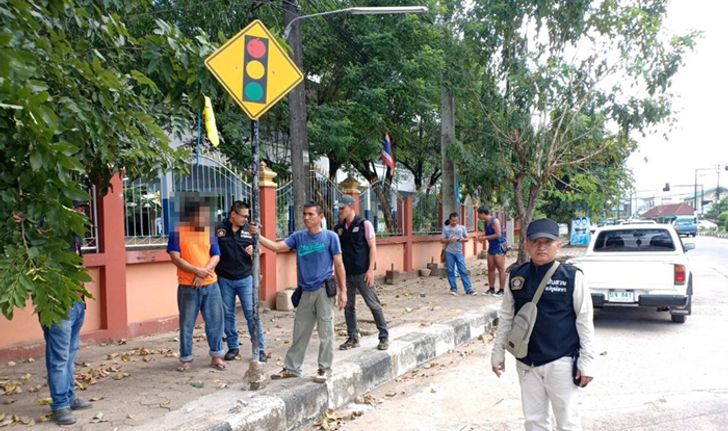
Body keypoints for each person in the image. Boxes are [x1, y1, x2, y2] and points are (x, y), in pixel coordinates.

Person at [491, 218, 596, 431]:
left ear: (559, 244)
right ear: (526, 245)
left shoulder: (572, 277)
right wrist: (498, 352)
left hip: (561, 361)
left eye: (547, 242)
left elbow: (584, 320)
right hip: (526, 362)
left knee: (567, 422)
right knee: (534, 421)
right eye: (535, 241)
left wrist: (587, 361)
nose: (541, 247)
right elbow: (506, 317)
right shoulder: (516, 277)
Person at [252, 201, 346, 383]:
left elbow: (339, 264)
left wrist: (344, 292)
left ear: (321, 217)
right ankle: (292, 367)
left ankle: (324, 369)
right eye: (304, 214)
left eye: (311, 214)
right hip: (304, 291)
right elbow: (277, 247)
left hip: (324, 291)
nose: (306, 217)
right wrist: (258, 236)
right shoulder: (298, 237)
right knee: (300, 331)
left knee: (326, 332)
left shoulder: (331, 237)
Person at [42, 200, 93, 425]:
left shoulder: (75, 235)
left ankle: (69, 397)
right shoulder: (50, 231)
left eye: (82, 210)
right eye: (77, 209)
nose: (80, 213)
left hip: (76, 300)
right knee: (59, 357)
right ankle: (60, 405)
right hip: (57, 303)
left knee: (71, 354)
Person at [167, 198, 226, 372]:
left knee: (215, 321)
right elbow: (175, 258)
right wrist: (196, 271)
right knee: (187, 324)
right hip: (187, 286)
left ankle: (217, 356)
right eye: (202, 214)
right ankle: (186, 358)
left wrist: (204, 272)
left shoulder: (209, 232)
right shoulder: (177, 233)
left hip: (211, 284)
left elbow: (216, 255)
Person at [334, 196, 389, 351]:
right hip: (347, 274)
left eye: (342, 208)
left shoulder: (364, 224)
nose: (340, 211)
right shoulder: (338, 228)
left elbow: (372, 247)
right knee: (348, 306)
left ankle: (384, 336)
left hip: (363, 273)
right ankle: (353, 337)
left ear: (351, 207)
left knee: (373, 304)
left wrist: (371, 269)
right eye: (338, 209)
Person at [215, 201, 266, 362]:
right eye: (243, 216)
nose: (246, 219)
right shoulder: (219, 229)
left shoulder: (250, 230)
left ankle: (260, 348)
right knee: (228, 314)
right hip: (225, 279)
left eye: (247, 216)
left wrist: (255, 250)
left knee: (252, 314)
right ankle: (233, 347)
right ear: (233, 215)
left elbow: (261, 249)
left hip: (245, 278)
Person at [441, 212, 476, 296]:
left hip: (459, 252)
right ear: (450, 220)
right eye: (453, 220)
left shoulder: (462, 228)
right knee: (450, 270)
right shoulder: (446, 228)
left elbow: (467, 238)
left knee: (463, 270)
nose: (454, 222)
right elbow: (442, 240)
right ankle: (453, 288)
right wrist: (449, 240)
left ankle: (469, 289)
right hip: (449, 252)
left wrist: (460, 239)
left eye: (456, 220)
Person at [477, 207, 507, 296]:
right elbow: (488, 233)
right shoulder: (486, 222)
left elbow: (498, 234)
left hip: (499, 245)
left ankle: (502, 290)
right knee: (490, 268)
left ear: (482, 213)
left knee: (501, 268)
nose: (478, 216)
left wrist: (484, 238)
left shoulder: (495, 221)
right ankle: (491, 288)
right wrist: (481, 236)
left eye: (479, 214)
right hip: (492, 246)